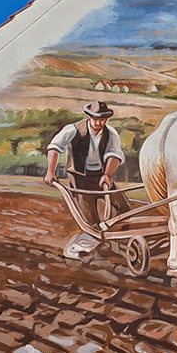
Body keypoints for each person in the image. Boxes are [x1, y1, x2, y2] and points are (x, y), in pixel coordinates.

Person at [44, 101, 130, 258]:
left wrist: (108, 175)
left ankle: (118, 241)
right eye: (95, 119)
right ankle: (94, 246)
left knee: (123, 207)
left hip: (101, 175)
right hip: (80, 176)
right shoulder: (73, 129)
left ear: (106, 119)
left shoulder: (111, 133)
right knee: (89, 217)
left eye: (102, 119)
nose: (98, 123)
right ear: (89, 117)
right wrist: (50, 171)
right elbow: (55, 147)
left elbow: (114, 155)